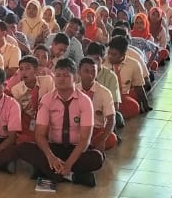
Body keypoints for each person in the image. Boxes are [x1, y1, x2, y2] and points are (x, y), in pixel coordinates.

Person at [16, 58, 105, 187]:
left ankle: (48, 171)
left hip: (76, 149)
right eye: (57, 75)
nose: (61, 79)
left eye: (66, 75)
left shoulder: (85, 101)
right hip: (54, 148)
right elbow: (39, 135)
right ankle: (72, 176)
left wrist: (68, 164)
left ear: (75, 77)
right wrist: (51, 157)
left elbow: (85, 139)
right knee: (23, 148)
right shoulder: (47, 99)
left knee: (97, 158)